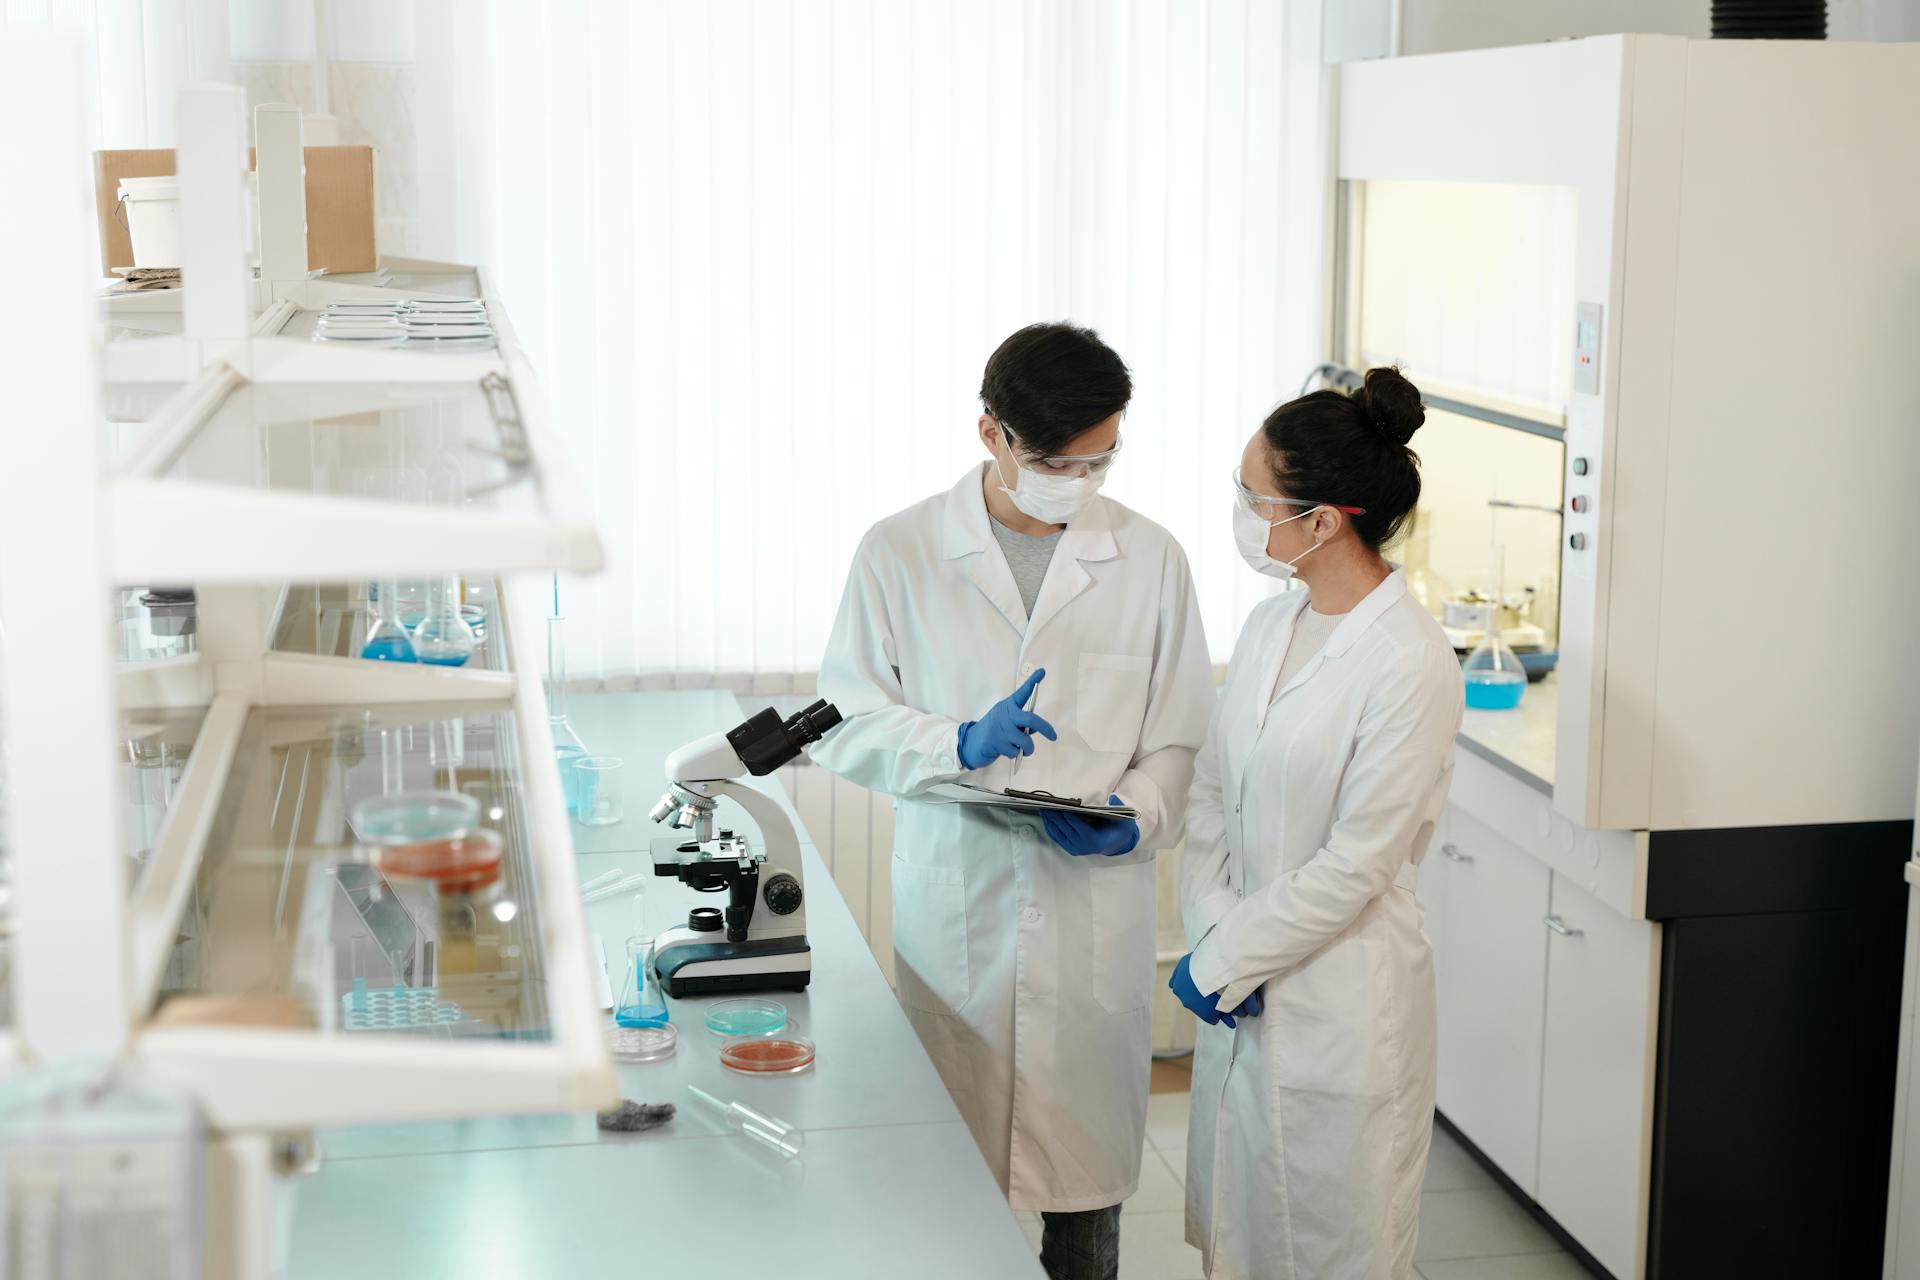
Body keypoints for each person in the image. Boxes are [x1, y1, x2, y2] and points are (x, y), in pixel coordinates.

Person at [811, 322, 1214, 1280]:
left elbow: (1182, 737)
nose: (1079, 480)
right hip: (960, 915)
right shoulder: (901, 550)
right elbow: (847, 722)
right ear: (989, 432)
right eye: (1055, 461)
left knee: (1086, 1207)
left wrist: (1135, 813)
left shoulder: (1150, 559)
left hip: (1089, 917)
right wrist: (955, 741)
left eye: (1100, 459)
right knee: (949, 1203)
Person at [1171, 367, 1463, 1280]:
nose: (1241, 514)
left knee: (1337, 1247)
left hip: (1343, 998)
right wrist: (1218, 930)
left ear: (1323, 519)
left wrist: (1229, 957)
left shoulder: (1409, 661)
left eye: (1254, 497)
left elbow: (1358, 863)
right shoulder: (1270, 626)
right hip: (1249, 980)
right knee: (1245, 1235)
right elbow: (1215, 791)